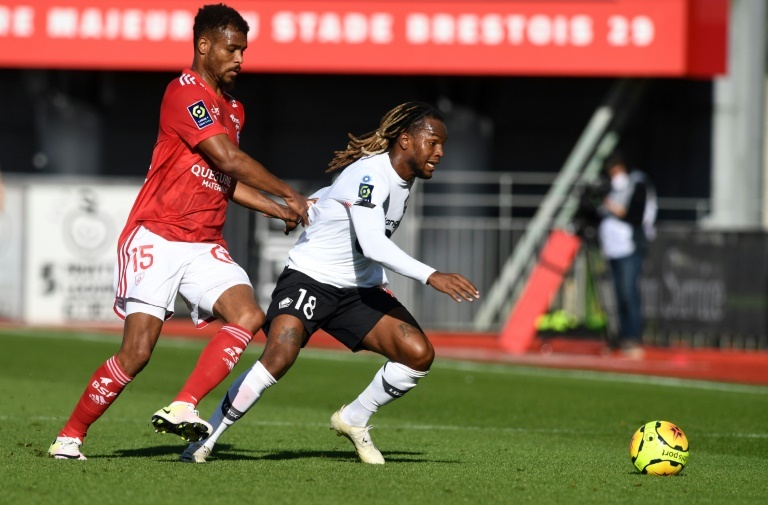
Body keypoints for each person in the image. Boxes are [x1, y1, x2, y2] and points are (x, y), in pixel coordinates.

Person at [48, 3, 311, 460]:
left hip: (204, 242)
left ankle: (183, 405)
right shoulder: (182, 91)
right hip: (157, 235)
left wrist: (273, 207)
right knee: (137, 352)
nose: (240, 59)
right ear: (204, 45)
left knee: (248, 316)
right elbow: (227, 159)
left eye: (244, 51)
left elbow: (223, 179)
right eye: (232, 49)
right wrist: (290, 194)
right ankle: (70, 436)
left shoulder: (234, 109)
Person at [178, 101, 480, 464]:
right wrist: (431, 275)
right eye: (432, 142)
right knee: (279, 356)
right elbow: (372, 242)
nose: (440, 152)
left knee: (418, 355)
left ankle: (354, 418)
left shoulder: (400, 180)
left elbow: (337, 198)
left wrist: (311, 208)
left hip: (358, 292)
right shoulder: (371, 175)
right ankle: (206, 438)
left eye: (442, 144)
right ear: (404, 140)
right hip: (311, 279)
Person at [597, 151, 656, 358]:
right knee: (618, 295)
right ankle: (622, 337)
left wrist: (611, 206)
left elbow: (636, 216)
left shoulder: (637, 184)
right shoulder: (612, 189)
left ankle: (633, 337)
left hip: (629, 247)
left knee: (628, 292)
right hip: (612, 248)